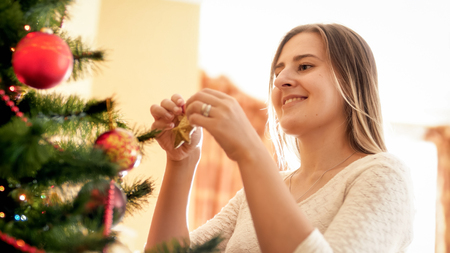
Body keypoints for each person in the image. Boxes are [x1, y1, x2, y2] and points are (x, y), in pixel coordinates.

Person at [145, 23, 414, 253]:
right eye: (277, 72)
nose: (280, 80)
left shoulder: (383, 175)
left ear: (350, 81)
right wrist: (182, 162)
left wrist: (250, 151)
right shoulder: (252, 197)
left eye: (304, 66)